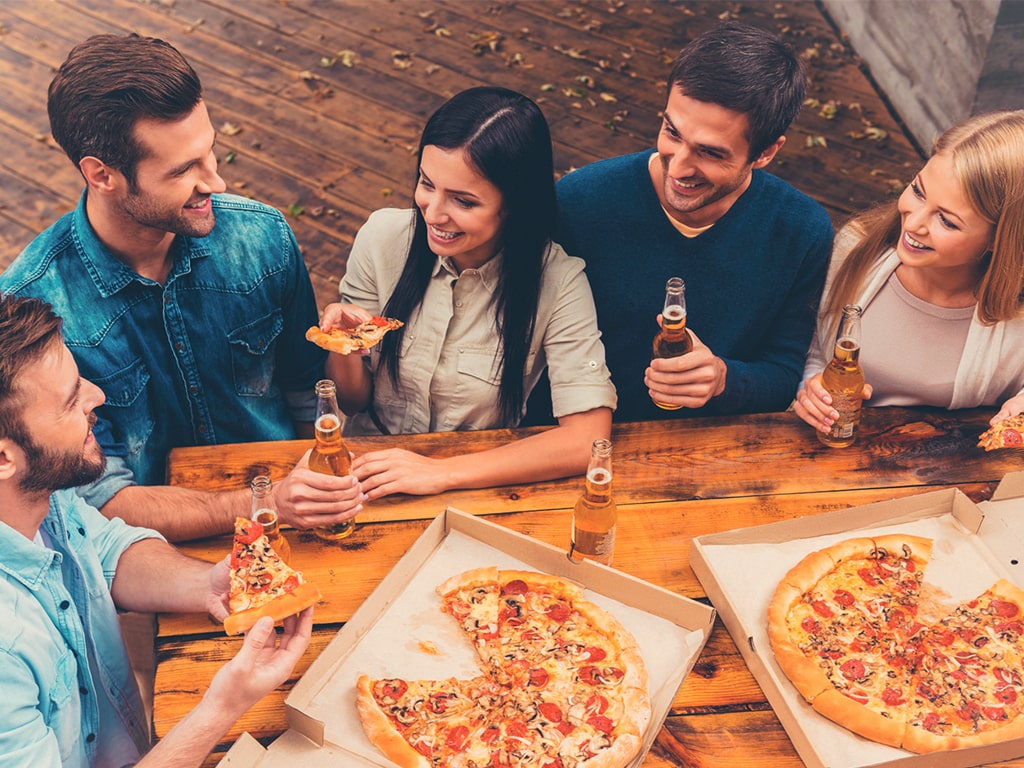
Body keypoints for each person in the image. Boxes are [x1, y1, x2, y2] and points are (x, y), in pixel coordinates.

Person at [0, 33, 362, 542]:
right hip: (155, 548)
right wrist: (266, 502)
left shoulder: (263, 237)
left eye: (210, 153)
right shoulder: (34, 308)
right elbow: (101, 499)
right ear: (102, 175)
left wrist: (317, 495)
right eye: (184, 169)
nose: (215, 181)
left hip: (302, 517)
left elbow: (307, 393)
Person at [0, 292, 313, 767]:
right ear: (4, 457)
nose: (96, 397)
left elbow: (105, 551)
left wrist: (206, 583)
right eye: (69, 402)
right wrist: (221, 708)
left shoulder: (40, 488)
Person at [318, 86, 616, 500]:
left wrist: (439, 473)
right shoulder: (382, 237)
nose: (434, 213)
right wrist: (344, 346)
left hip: (477, 487)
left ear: (513, 205)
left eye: (463, 201)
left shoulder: (558, 281)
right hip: (362, 477)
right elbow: (352, 402)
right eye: (426, 183)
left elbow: (586, 440)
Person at [534, 21, 833, 423]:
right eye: (671, 132)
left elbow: (783, 374)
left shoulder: (803, 231)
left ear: (765, 153)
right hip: (566, 440)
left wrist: (724, 378)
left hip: (709, 449)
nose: (679, 166)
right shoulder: (578, 201)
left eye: (710, 153)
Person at [794, 110, 1024, 433]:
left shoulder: (1017, 317)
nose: (913, 223)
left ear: (999, 242)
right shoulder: (856, 249)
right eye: (918, 191)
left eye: (946, 221)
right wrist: (810, 392)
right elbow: (817, 353)